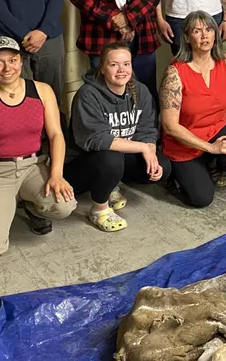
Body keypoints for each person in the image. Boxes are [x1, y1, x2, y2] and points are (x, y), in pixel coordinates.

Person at [0, 36, 76, 261]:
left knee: (64, 204)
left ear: (21, 61)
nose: (7, 68)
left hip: (32, 165)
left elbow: (56, 135)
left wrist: (56, 174)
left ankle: (32, 206)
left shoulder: (42, 91)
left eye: (13, 60)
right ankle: (1, 203)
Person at [64, 41, 163, 232]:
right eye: (113, 64)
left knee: (161, 166)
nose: (121, 70)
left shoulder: (140, 90)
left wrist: (150, 149)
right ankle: (99, 209)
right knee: (111, 159)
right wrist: (143, 148)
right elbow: (98, 139)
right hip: (81, 165)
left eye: (126, 64)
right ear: (102, 68)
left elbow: (147, 129)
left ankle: (112, 184)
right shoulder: (88, 94)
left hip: (120, 156)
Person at [159, 11, 226, 207]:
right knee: (202, 199)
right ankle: (176, 175)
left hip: (215, 130)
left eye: (208, 29)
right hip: (183, 142)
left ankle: (210, 163)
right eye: (197, 31)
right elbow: (170, 126)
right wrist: (211, 148)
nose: (204, 35)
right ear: (187, 38)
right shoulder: (175, 73)